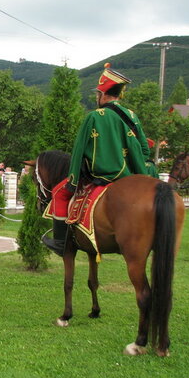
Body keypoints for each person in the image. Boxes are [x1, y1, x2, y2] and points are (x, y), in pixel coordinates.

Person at [43, 63, 152, 256]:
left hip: (103, 176)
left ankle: (60, 242)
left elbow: (78, 151)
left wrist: (73, 179)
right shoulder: (132, 116)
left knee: (59, 193)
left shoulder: (94, 116)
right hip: (131, 176)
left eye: (97, 94)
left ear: (102, 94)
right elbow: (144, 150)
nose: (97, 97)